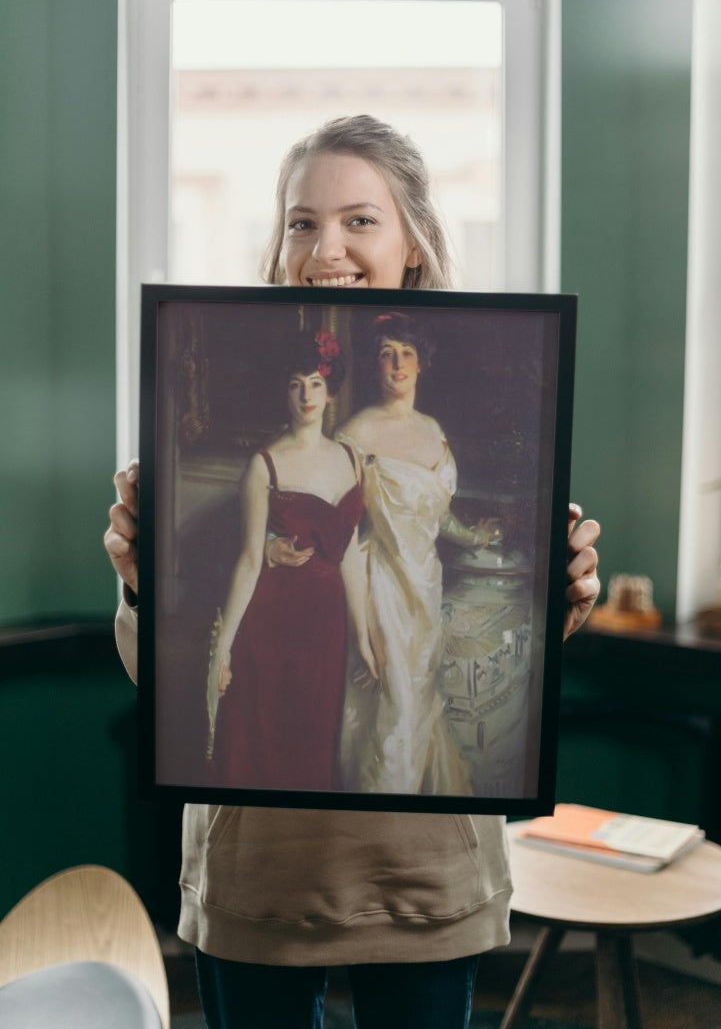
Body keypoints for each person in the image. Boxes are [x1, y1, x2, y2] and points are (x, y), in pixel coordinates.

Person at [105, 114, 601, 1029]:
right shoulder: (300, 443)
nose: (324, 246)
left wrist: (555, 597)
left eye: (359, 220)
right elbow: (162, 677)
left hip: (421, 871)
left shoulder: (466, 399)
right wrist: (139, 582)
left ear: (412, 240)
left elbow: (486, 597)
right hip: (261, 867)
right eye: (301, 221)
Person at [333, 311, 494, 796]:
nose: (397, 364)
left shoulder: (433, 429)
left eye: (407, 353)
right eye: (387, 353)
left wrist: (473, 536)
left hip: (427, 585)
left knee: (419, 702)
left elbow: (435, 514)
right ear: (375, 365)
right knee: (393, 705)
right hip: (380, 585)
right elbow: (340, 530)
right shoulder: (355, 434)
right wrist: (361, 632)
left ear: (423, 363)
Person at [207, 330, 375, 792]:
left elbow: (351, 556)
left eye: (316, 383)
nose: (307, 395)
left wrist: (362, 636)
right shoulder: (265, 465)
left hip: (327, 627)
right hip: (272, 624)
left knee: (315, 746)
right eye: (296, 384)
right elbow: (247, 561)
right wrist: (223, 651)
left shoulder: (350, 458)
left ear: (330, 389)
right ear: (283, 390)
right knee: (266, 745)